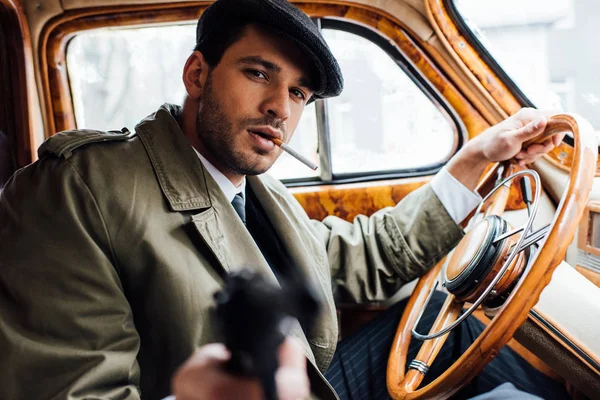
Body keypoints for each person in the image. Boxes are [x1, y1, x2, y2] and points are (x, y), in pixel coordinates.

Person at [0, 0, 568, 399]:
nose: (281, 108)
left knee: (458, 332)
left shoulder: (259, 190)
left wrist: (477, 158)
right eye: (258, 73)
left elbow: (371, 255)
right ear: (197, 73)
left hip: (306, 381)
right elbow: (70, 392)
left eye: (299, 92)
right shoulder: (77, 189)